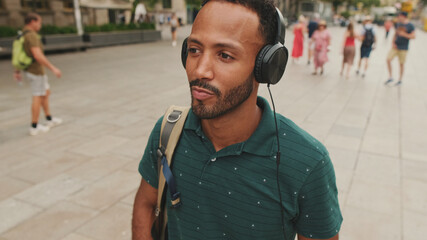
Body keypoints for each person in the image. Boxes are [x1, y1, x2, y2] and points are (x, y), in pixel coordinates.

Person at [132, 1, 342, 239]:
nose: (200, 70)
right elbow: (146, 205)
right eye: (194, 50)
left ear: (267, 66)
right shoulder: (168, 131)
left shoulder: (308, 163)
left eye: (224, 55)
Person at [13, 13, 62, 136]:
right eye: (39, 22)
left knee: (45, 93)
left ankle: (49, 119)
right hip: (36, 71)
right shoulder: (32, 36)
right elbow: (38, 55)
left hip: (30, 70)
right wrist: (53, 68)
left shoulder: (22, 34)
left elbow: (18, 53)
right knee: (38, 96)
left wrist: (17, 70)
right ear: (32, 22)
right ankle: (34, 126)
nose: (40, 25)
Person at [385, 12, 415, 86]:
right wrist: (393, 42)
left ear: (404, 17)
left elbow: (413, 36)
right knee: (388, 59)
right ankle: (390, 76)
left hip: (404, 47)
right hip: (395, 46)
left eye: (400, 16)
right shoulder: (398, 24)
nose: (399, 18)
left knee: (401, 64)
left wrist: (404, 34)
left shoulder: (410, 25)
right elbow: (395, 33)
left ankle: (400, 79)